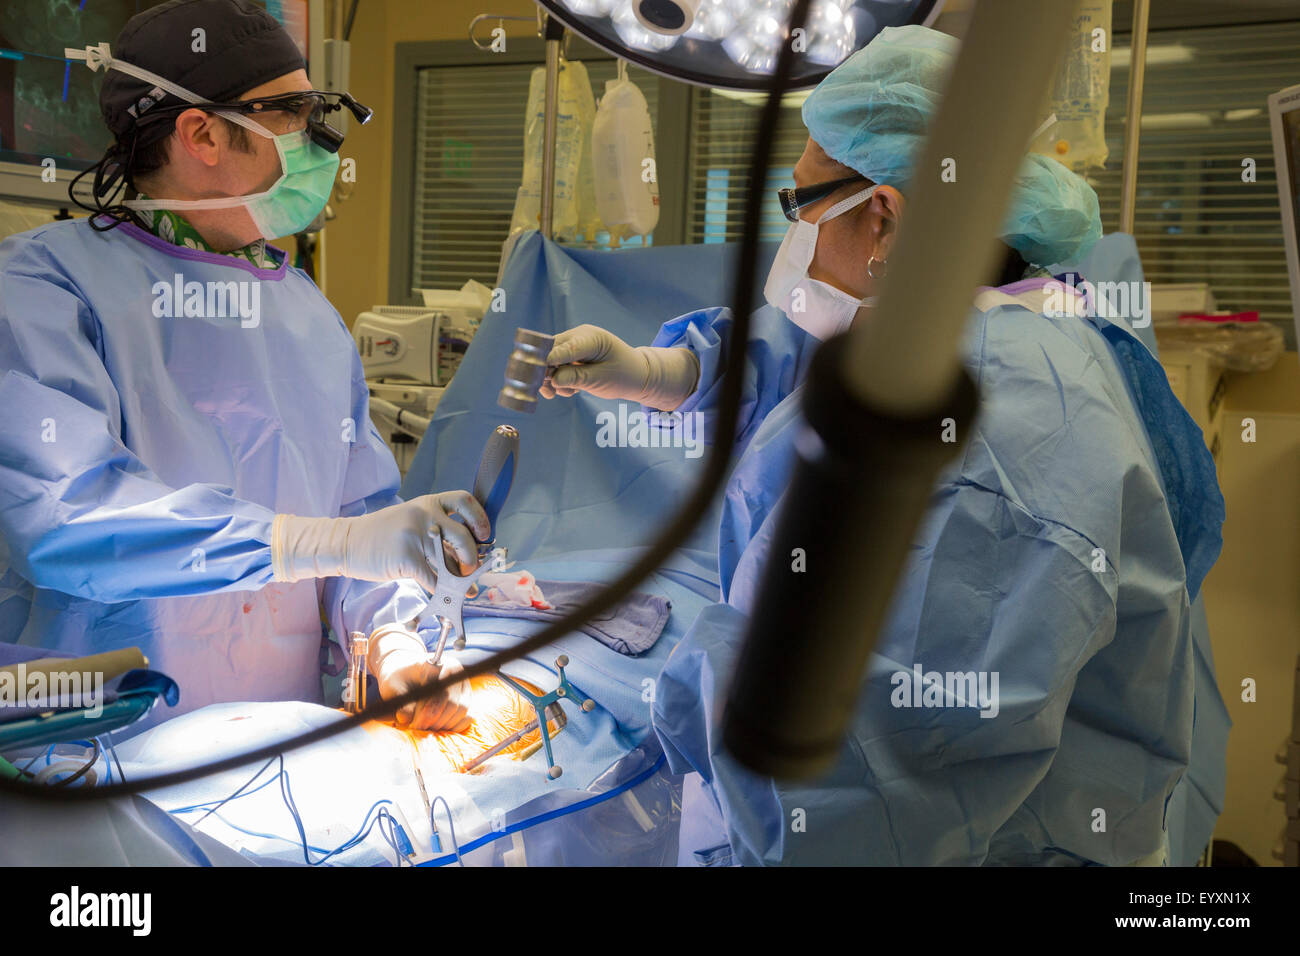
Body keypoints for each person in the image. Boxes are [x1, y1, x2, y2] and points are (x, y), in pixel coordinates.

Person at [542, 25, 1227, 864]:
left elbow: (853, 813)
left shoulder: (969, 460)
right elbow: (801, 353)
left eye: (800, 206)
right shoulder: (1007, 325)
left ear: (885, 216)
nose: (792, 238)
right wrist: (661, 370)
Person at [0, 0, 476, 733]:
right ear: (204, 133)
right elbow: (67, 517)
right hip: (98, 751)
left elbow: (358, 512)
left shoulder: (304, 311)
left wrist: (391, 641)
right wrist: (307, 544)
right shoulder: (45, 292)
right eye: (294, 111)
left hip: (276, 745)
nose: (319, 138)